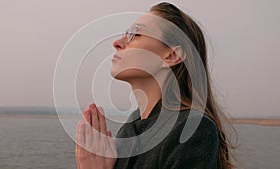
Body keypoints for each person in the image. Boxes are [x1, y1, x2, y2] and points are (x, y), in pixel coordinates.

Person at [75, 2, 235, 169]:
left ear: (172, 55)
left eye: (135, 34)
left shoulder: (191, 130)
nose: (117, 42)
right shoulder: (129, 130)